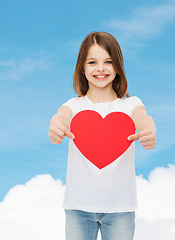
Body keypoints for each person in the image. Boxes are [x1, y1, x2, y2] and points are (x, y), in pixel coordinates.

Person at [49, 31, 156, 240]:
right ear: (82, 67)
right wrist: (55, 126)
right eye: (92, 62)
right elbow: (60, 117)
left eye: (108, 61)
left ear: (118, 66)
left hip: (121, 208)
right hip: (78, 207)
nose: (100, 68)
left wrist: (149, 130)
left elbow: (143, 118)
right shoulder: (74, 106)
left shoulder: (130, 104)